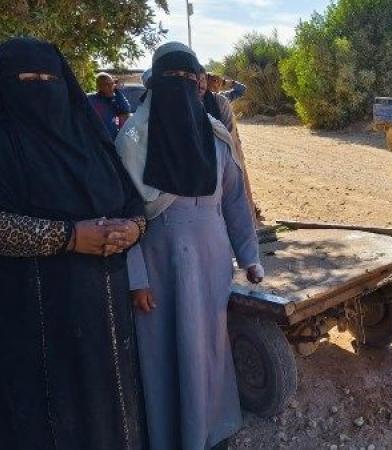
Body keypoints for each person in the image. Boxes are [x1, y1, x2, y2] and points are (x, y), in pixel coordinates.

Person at [0, 37, 147, 449]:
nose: (40, 87)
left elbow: (132, 203)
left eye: (49, 78)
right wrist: (69, 237)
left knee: (107, 414)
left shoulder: (90, 141)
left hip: (104, 314)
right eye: (26, 79)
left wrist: (134, 229)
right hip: (33, 318)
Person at [117, 42, 264, 450]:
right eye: (171, 79)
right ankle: (171, 437)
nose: (180, 86)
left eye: (188, 78)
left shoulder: (215, 137)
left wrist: (250, 256)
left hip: (212, 261)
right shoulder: (132, 141)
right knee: (164, 353)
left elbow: (234, 200)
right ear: (154, 84)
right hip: (158, 266)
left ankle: (212, 430)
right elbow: (121, 214)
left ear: (198, 83)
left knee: (210, 349)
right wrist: (135, 278)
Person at [197, 68, 261, 225]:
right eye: (197, 80)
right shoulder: (190, 102)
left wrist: (227, 82)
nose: (201, 84)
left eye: (204, 80)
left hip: (230, 152)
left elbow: (241, 89)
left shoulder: (221, 99)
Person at [88, 72, 131, 139]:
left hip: (111, 139)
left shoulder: (114, 100)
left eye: (111, 84)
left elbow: (126, 110)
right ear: (99, 86)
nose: (110, 87)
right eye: (106, 84)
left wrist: (117, 91)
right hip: (94, 139)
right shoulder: (90, 99)